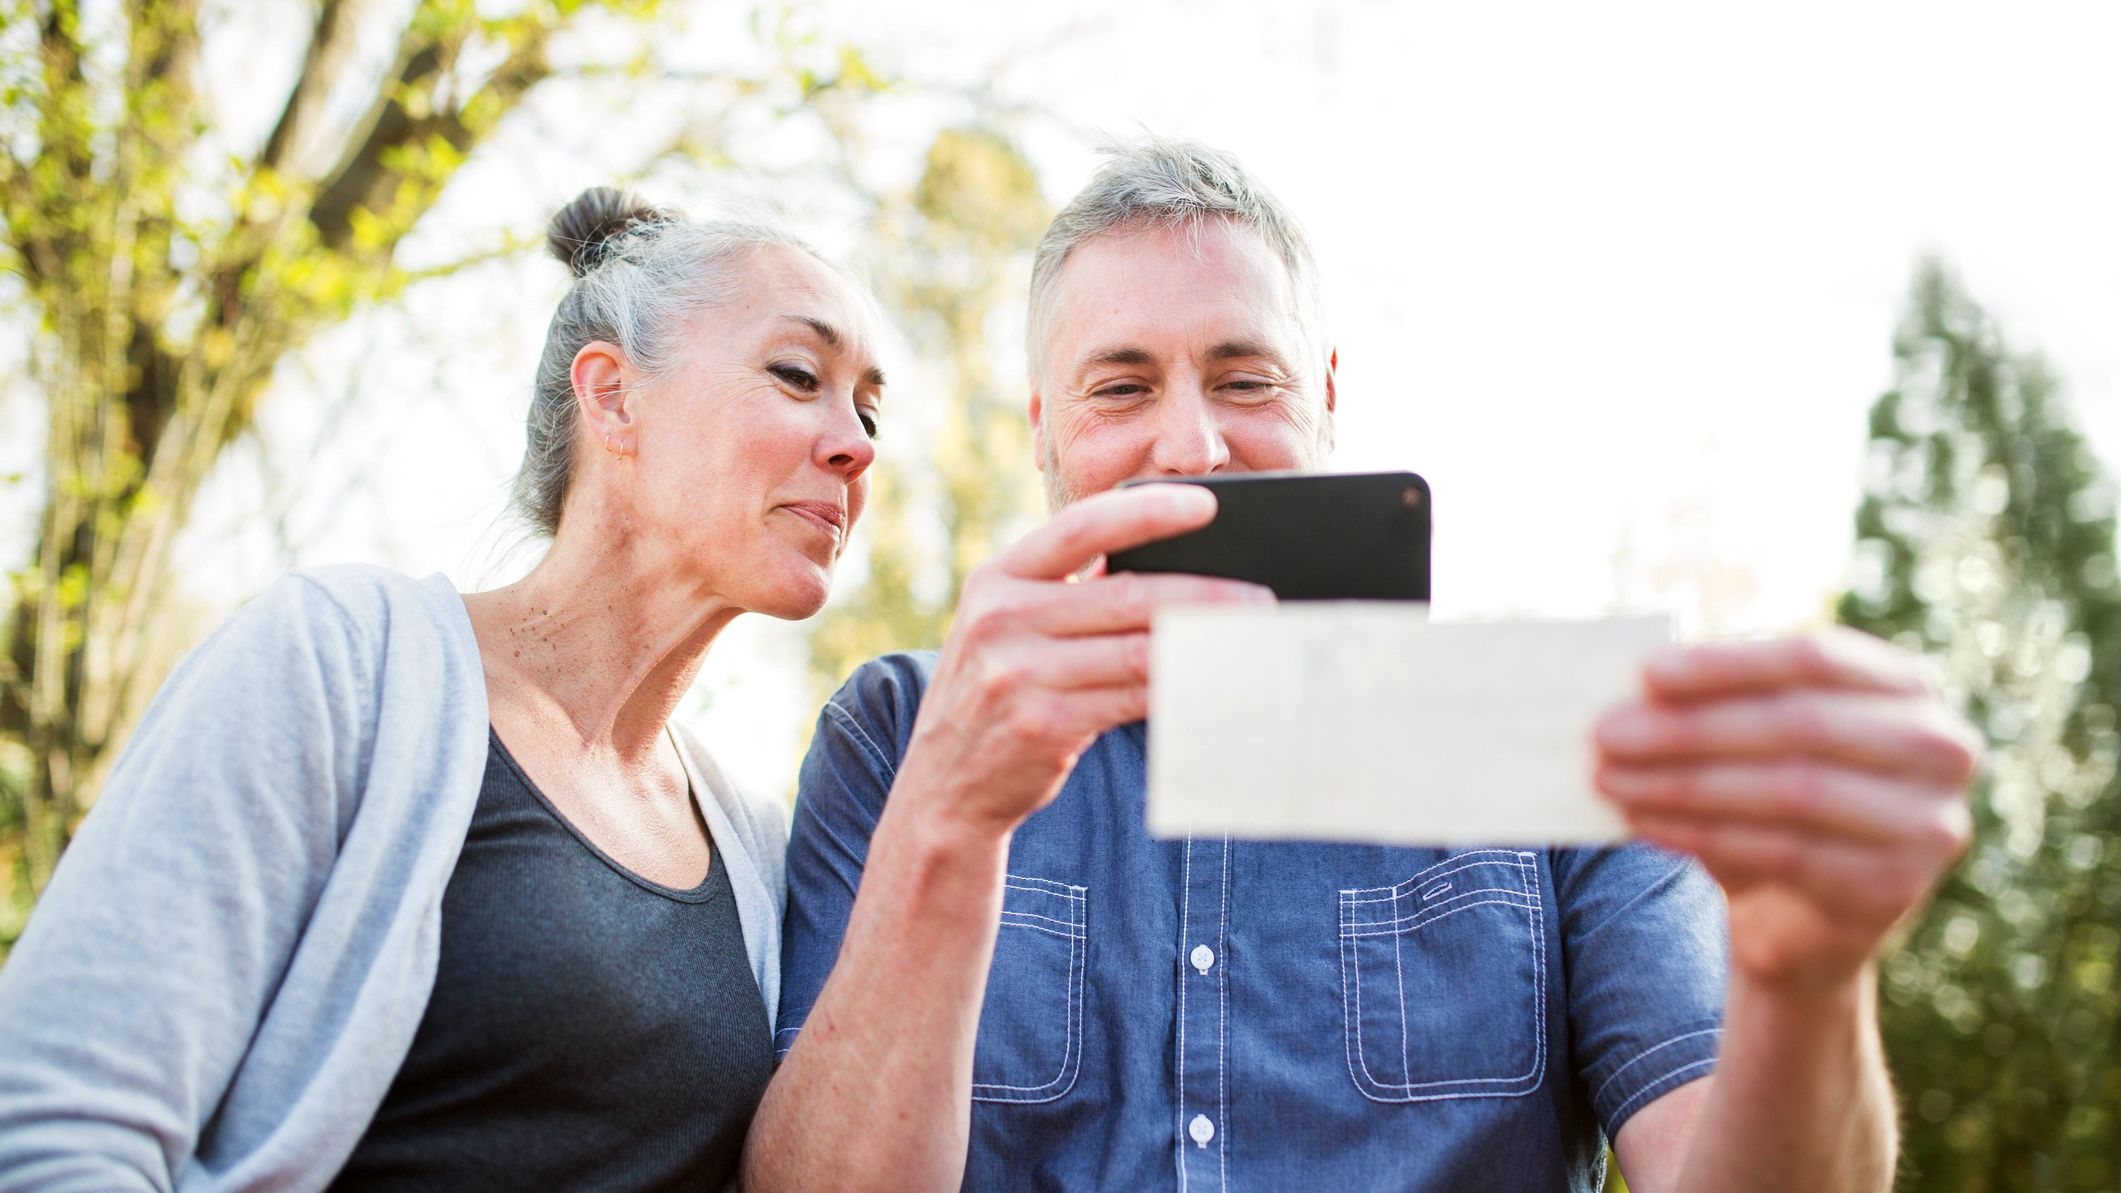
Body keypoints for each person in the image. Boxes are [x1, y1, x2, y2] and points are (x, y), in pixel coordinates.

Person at [745, 139, 1981, 1192]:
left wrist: (1809, 976)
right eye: (1122, 385)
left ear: (1326, 401)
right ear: (1044, 436)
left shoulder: (1559, 728)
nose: (1193, 440)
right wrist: (951, 822)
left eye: (1246, 378)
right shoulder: (898, 733)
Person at [0, 187, 886, 1191]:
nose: (855, 443)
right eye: (798, 373)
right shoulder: (339, 665)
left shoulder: (760, 848)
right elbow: (57, 1129)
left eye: (868, 405)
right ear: (612, 397)